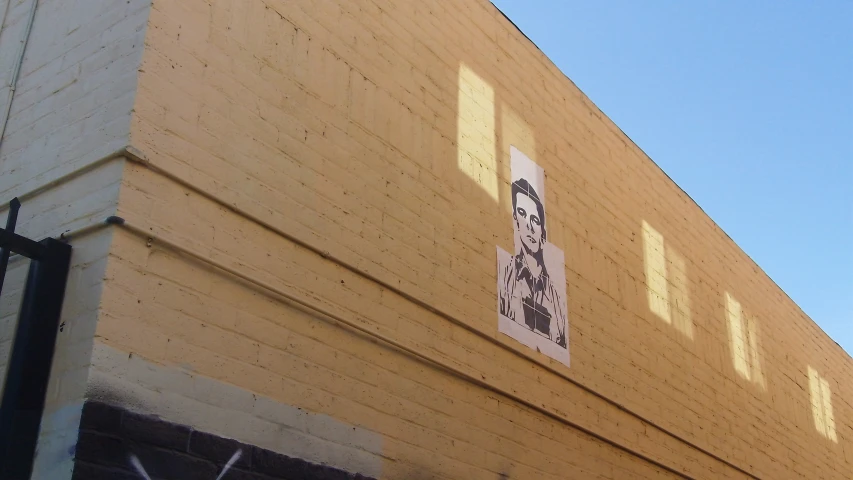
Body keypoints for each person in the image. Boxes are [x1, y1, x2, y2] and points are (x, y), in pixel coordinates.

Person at [498, 178, 567, 348]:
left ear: (543, 232)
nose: (529, 225)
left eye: (535, 220)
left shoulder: (556, 299)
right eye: (522, 213)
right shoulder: (506, 275)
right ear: (515, 219)